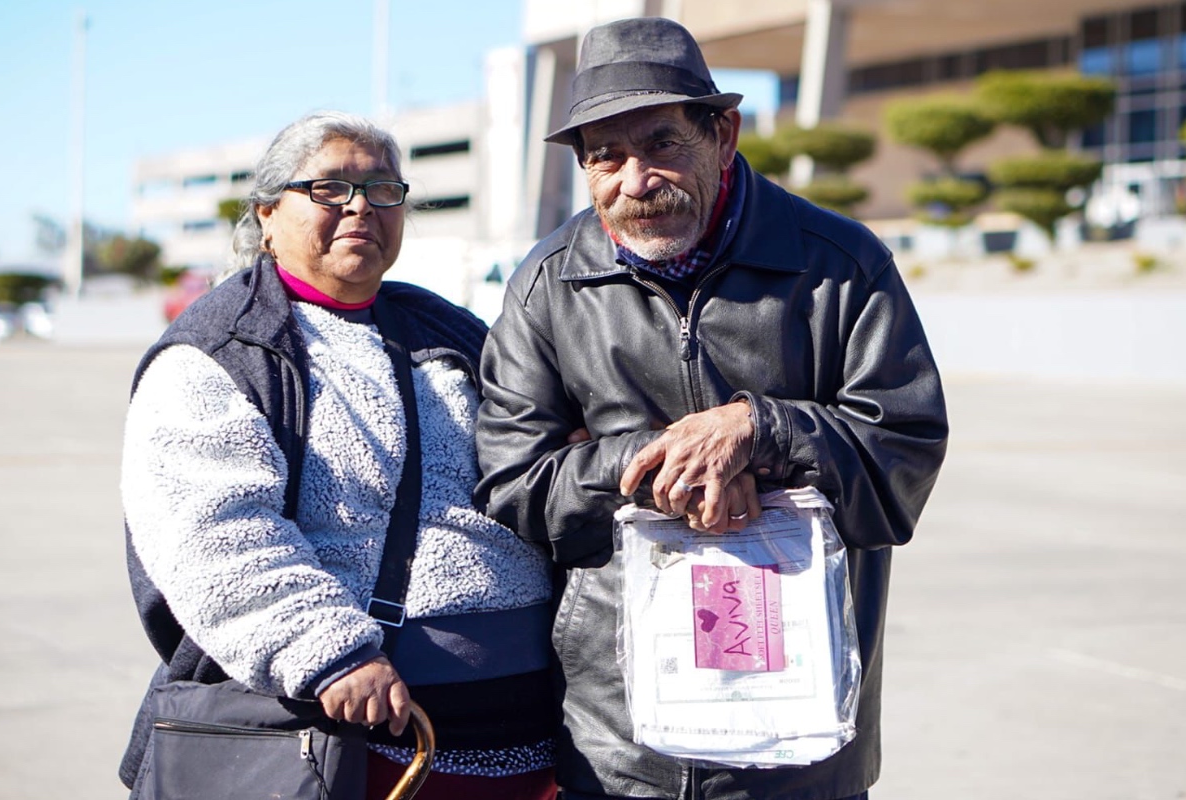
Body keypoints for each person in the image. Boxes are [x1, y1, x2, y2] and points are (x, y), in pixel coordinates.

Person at [474, 17, 949, 800]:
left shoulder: (840, 266)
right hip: (618, 745)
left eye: (662, 143)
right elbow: (511, 485)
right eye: (606, 158)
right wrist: (653, 461)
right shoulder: (547, 285)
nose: (635, 179)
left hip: (804, 743)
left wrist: (762, 429)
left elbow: (901, 451)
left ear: (722, 133)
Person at [119, 111, 557, 800]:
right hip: (362, 744)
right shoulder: (221, 352)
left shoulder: (446, 328)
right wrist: (332, 655)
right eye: (330, 188)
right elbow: (212, 536)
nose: (361, 207)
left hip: (530, 737)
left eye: (383, 189)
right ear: (266, 215)